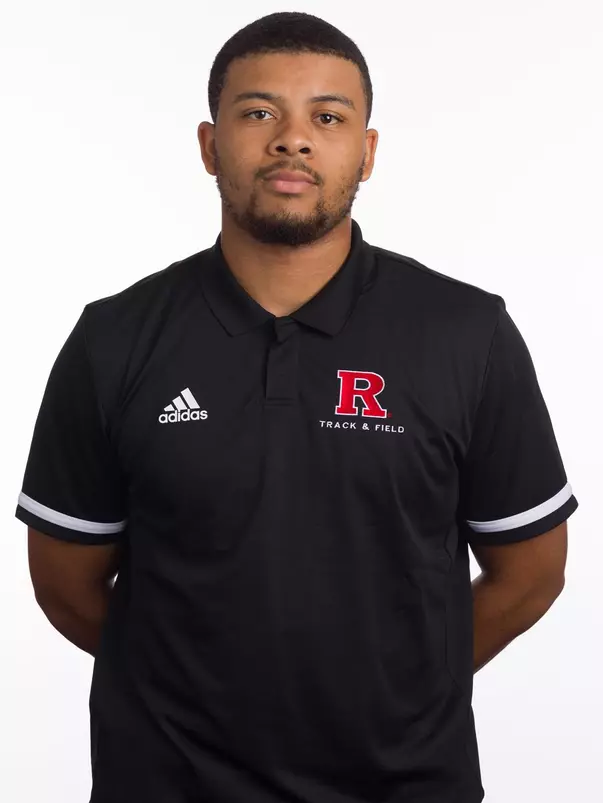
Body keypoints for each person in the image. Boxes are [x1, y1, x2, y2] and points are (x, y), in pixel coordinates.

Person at [16, 11, 578, 803]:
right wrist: (199, 701)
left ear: (367, 152)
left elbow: (530, 573)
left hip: (405, 785)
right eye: (258, 113)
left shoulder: (465, 332)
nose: (292, 140)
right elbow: (65, 584)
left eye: (327, 116)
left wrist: (400, 690)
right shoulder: (114, 338)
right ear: (210, 146)